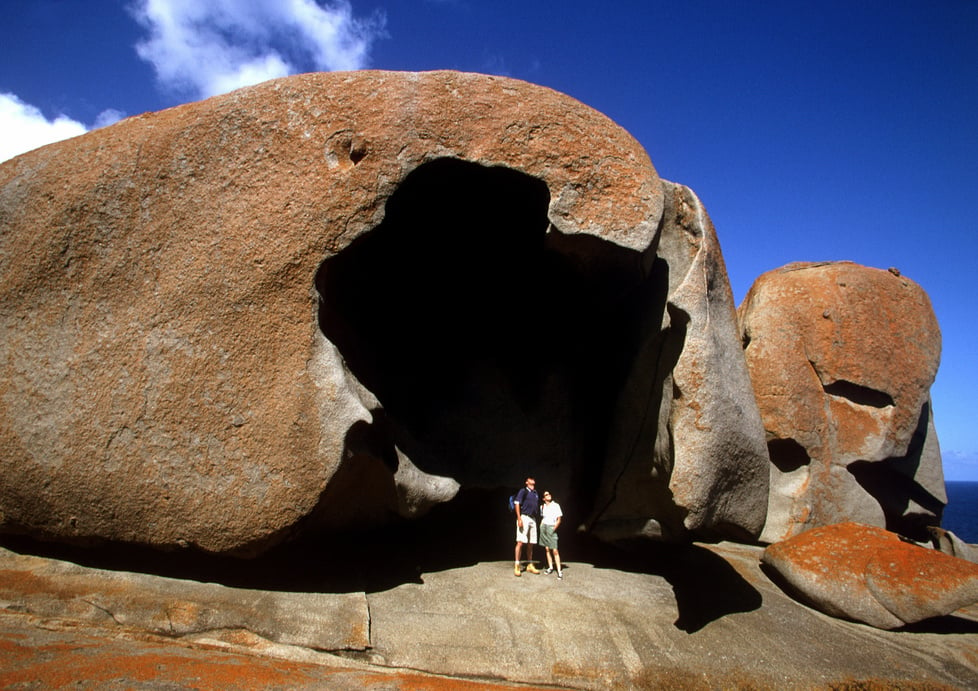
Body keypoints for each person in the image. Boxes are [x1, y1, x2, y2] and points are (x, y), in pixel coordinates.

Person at [513, 477, 540, 576]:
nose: (533, 481)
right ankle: (517, 565)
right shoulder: (523, 491)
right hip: (524, 517)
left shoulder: (535, 493)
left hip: (533, 519)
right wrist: (519, 518)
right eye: (530, 479)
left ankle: (529, 564)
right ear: (526, 482)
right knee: (520, 542)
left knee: (531, 543)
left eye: (534, 479)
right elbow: (517, 503)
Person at [539, 490, 563, 579]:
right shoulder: (542, 507)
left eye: (549, 493)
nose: (548, 495)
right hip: (544, 527)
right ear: (543, 498)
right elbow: (543, 518)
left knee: (555, 550)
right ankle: (550, 567)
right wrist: (541, 526)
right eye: (546, 494)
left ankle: (559, 571)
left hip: (551, 527)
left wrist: (553, 529)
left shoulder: (556, 505)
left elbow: (559, 519)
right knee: (547, 549)